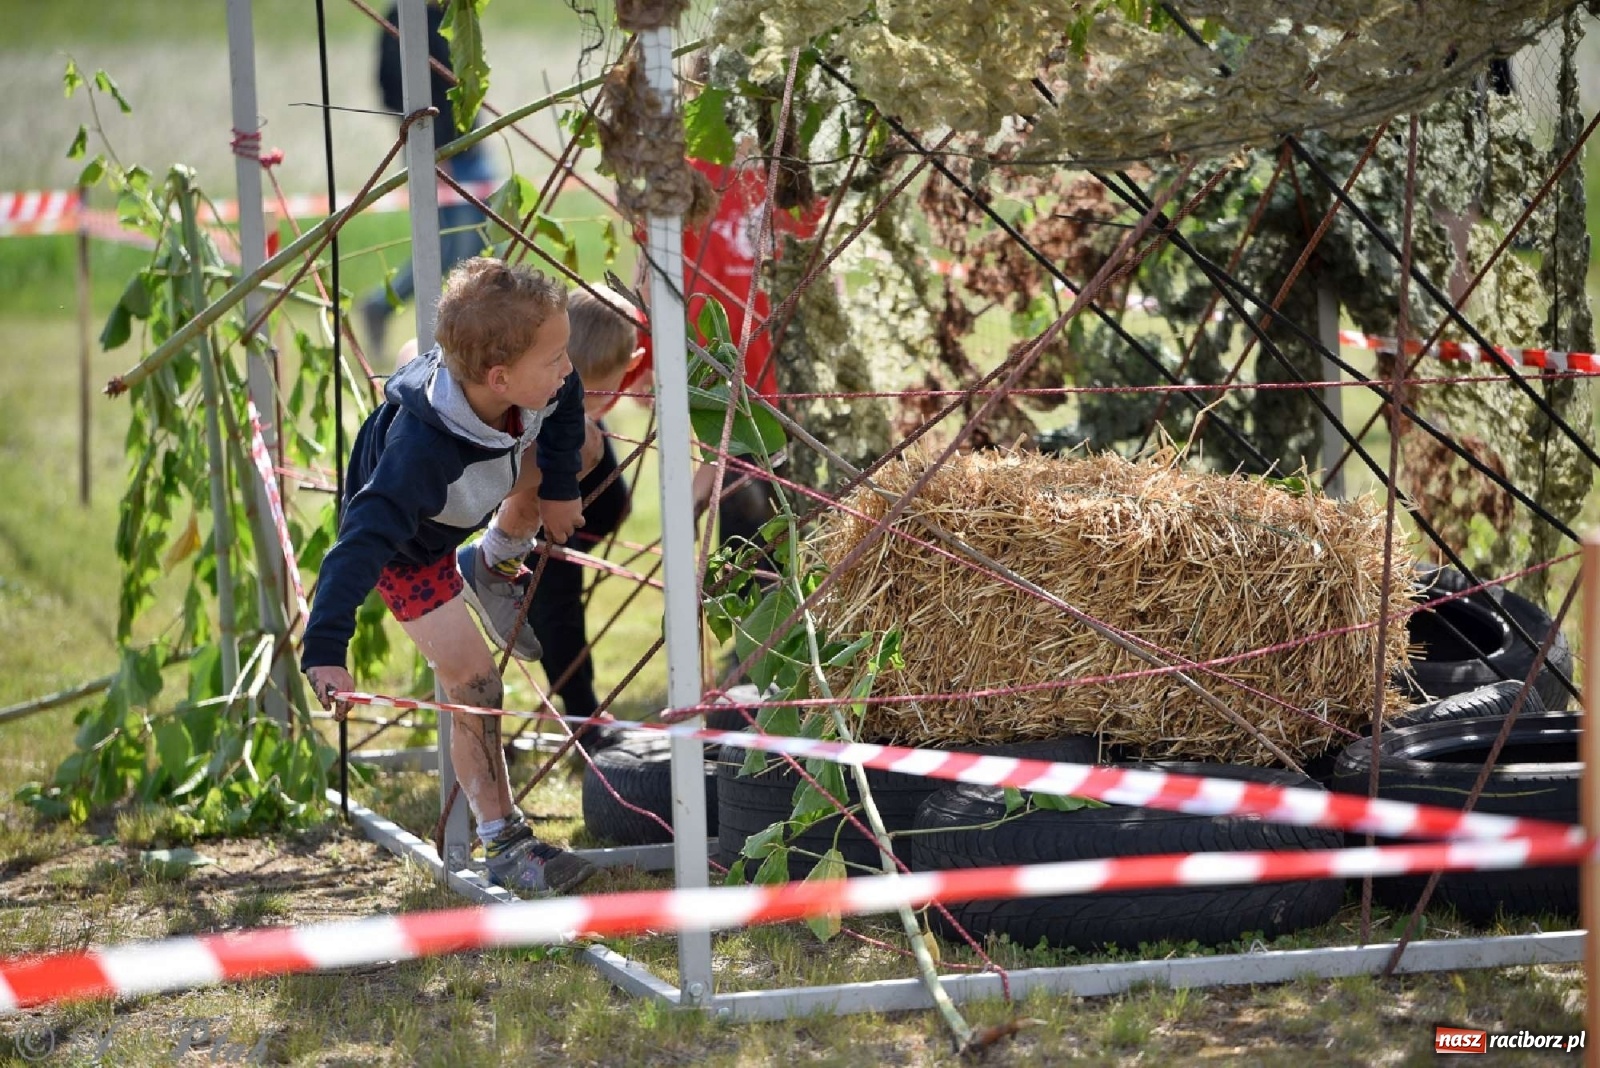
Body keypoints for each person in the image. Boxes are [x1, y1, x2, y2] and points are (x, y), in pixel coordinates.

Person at [302, 257, 596, 896]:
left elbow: (568, 400)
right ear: (499, 376)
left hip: (475, 491)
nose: (567, 368)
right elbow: (358, 544)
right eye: (554, 358)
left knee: (586, 445)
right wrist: (325, 649)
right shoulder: (417, 453)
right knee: (477, 683)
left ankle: (490, 564)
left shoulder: (534, 384)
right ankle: (505, 844)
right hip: (409, 550)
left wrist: (560, 488)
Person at [458, 286, 644, 728]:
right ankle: (582, 712)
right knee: (556, 582)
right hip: (528, 477)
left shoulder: (573, 382)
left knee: (610, 503)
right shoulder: (537, 406)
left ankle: (533, 567)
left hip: (568, 455)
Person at [360, 1, 493, 360]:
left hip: (473, 145)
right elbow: (392, 89)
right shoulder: (404, 18)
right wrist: (432, 148)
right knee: (451, 249)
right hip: (437, 152)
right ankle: (382, 307)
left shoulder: (457, 12)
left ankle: (479, 333)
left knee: (482, 245)